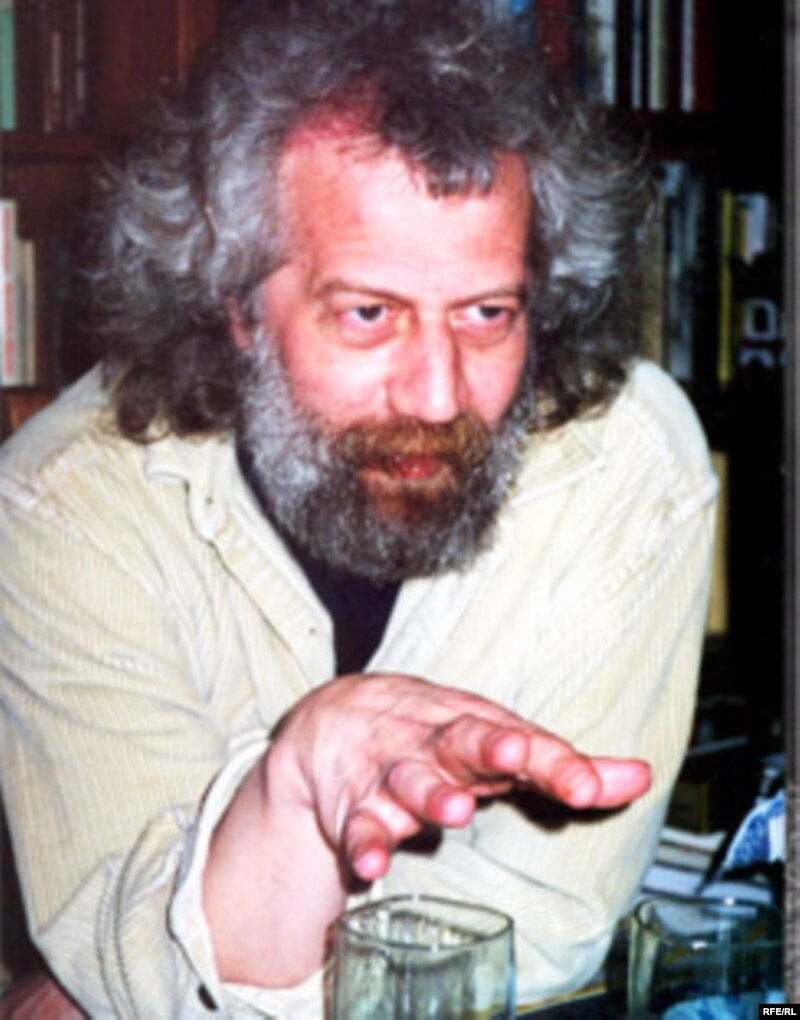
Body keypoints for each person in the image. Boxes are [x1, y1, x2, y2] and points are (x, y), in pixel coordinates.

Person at [0, 1, 717, 1016]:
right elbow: (127, 952)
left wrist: (203, 943)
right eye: (368, 313)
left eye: (487, 313)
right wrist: (297, 779)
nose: (437, 395)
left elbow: (544, 931)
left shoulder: (627, 459)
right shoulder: (61, 507)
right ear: (235, 303)